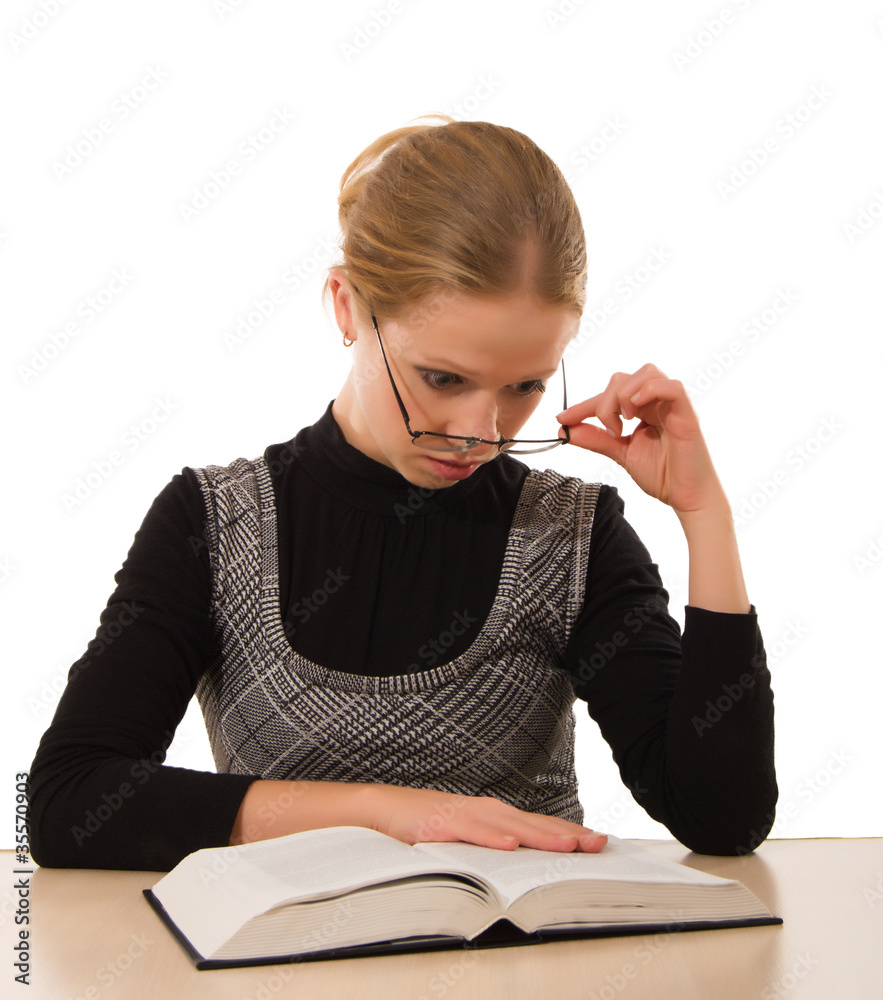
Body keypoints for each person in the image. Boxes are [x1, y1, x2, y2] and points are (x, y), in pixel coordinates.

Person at [29, 115, 776, 872]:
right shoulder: (214, 524)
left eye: (523, 386)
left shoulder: (572, 537)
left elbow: (723, 819)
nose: (479, 432)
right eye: (441, 378)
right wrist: (386, 814)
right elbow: (70, 803)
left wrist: (703, 515)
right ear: (349, 305)